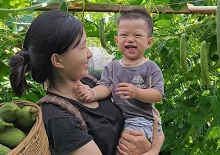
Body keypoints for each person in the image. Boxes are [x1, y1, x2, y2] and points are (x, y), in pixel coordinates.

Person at [8, 10, 164, 155]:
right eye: (83, 47)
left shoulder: (92, 81)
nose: (89, 53)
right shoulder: (58, 118)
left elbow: (144, 111)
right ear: (57, 60)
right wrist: (152, 150)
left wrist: (150, 141)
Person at [76, 9, 164, 146]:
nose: (130, 39)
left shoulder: (151, 67)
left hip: (143, 119)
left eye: (137, 35)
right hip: (119, 118)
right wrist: (92, 93)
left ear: (149, 42)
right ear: (116, 40)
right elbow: (105, 87)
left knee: (125, 147)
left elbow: (158, 94)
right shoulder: (112, 67)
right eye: (124, 35)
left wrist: (137, 92)